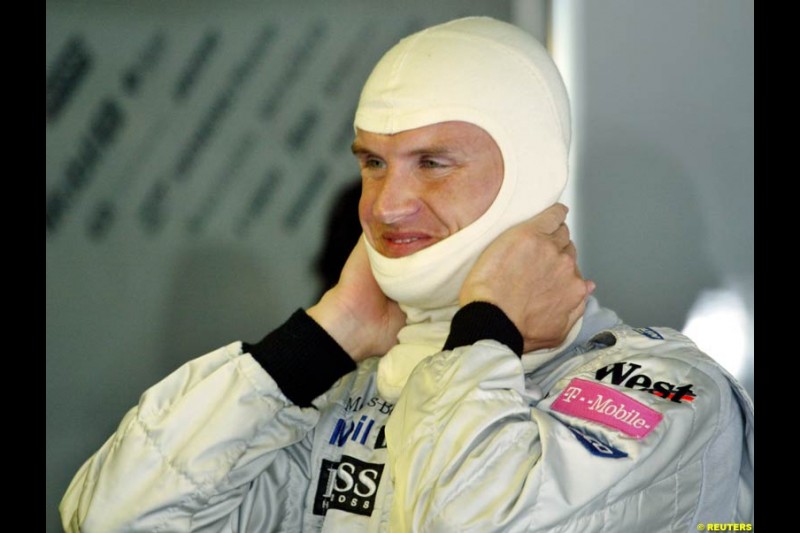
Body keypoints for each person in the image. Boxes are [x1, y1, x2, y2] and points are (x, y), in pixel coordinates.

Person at [60, 17, 753, 532]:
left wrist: (488, 330)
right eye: (373, 162)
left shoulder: (670, 396)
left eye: (433, 162)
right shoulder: (350, 389)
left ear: (531, 172)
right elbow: (115, 519)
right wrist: (329, 335)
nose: (386, 205)